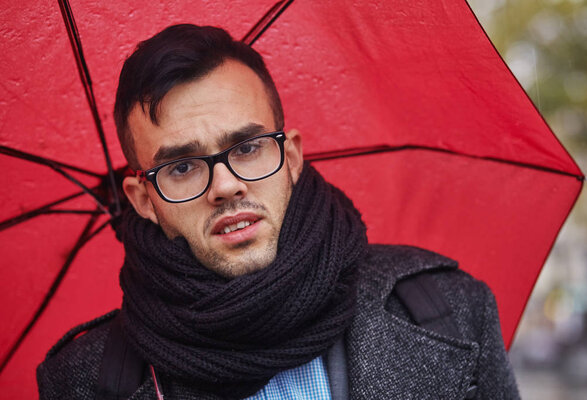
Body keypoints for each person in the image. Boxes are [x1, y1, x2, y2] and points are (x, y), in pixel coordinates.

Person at [37, 24, 520, 399]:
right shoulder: (85, 379)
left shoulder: (447, 308)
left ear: (290, 157)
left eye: (247, 148)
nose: (225, 186)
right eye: (182, 167)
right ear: (143, 199)